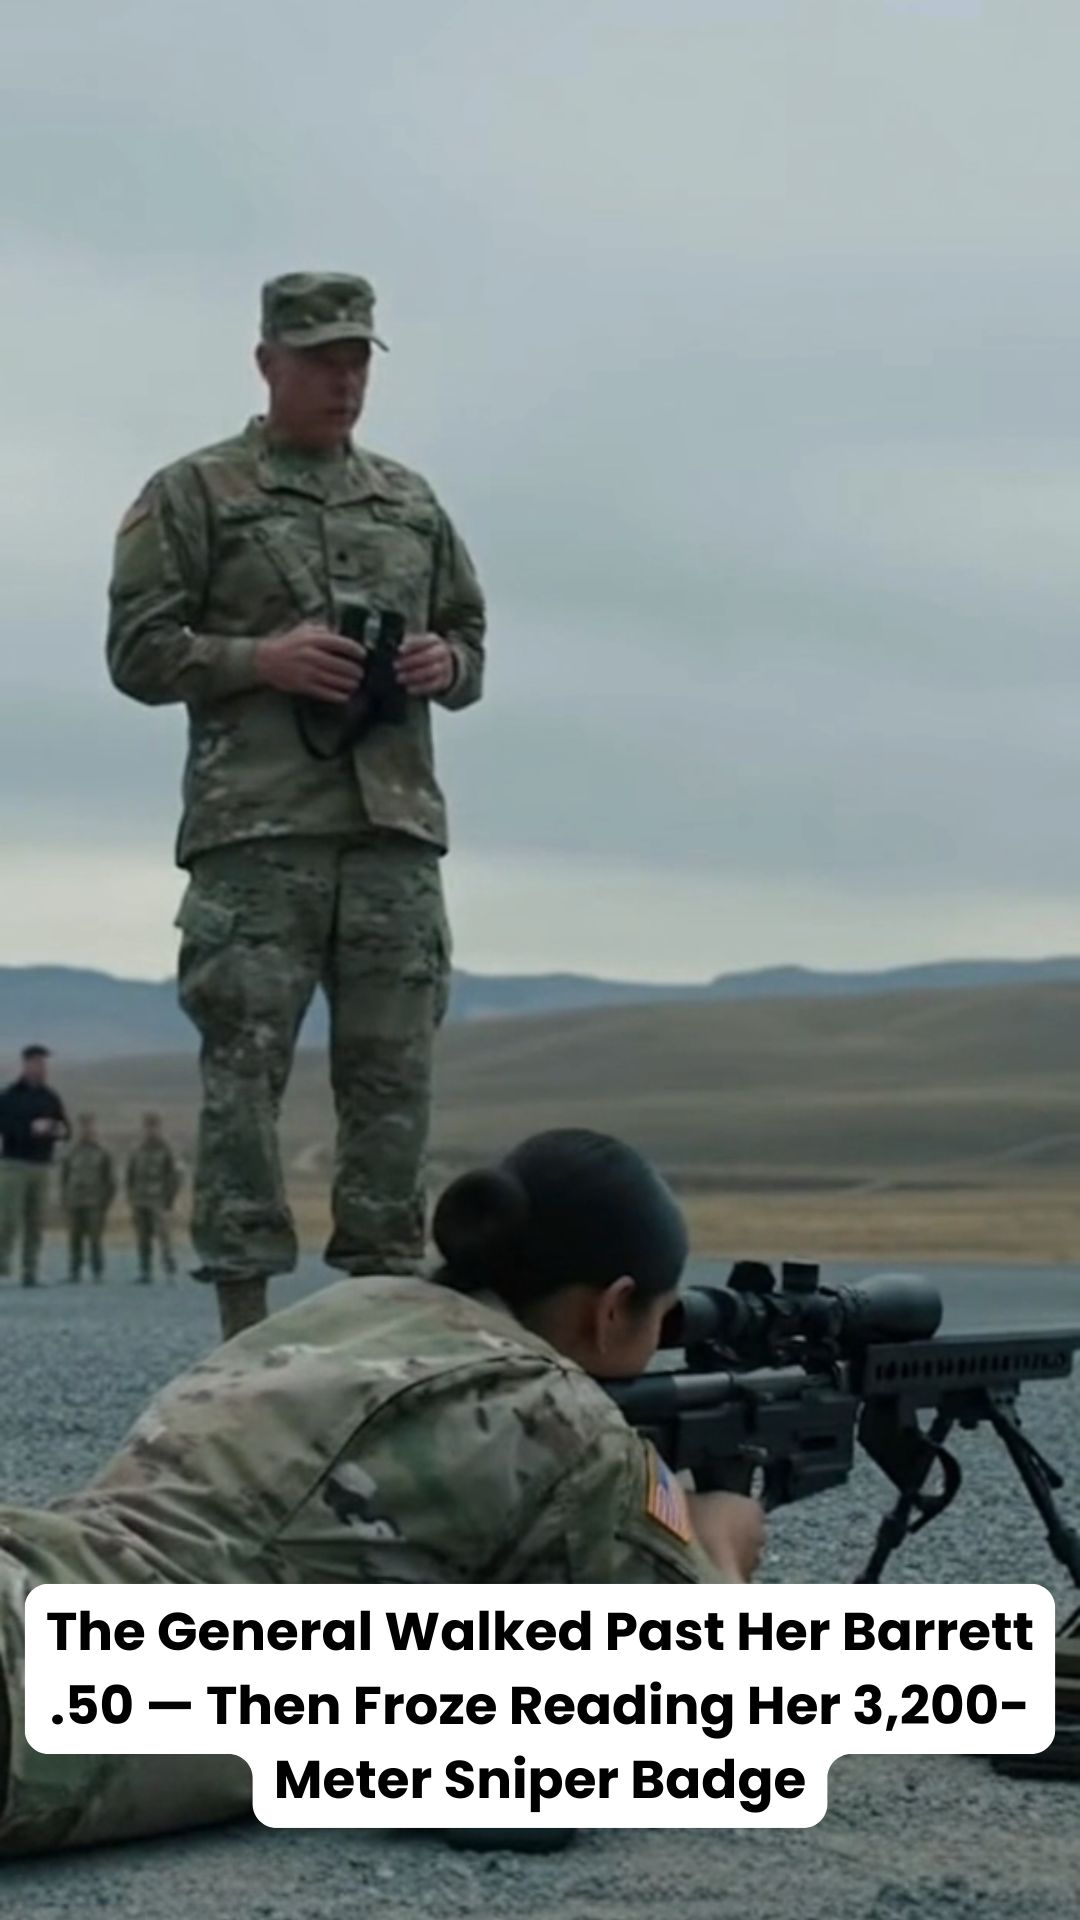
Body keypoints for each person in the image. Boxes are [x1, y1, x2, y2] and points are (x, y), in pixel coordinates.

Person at [0, 1129, 764, 1857]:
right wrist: (720, 1539)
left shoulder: (351, 1312)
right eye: (659, 1319)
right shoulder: (562, 1415)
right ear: (613, 1307)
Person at [105, 270, 486, 1343]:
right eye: (322, 358)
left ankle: (378, 1332)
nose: (343, 378)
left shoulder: (409, 501)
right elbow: (136, 651)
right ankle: (243, 1332)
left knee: (394, 1082)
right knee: (243, 1080)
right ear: (268, 361)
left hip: (392, 835)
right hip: (257, 835)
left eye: (358, 358)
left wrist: (445, 662)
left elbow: (471, 638)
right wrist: (258, 660)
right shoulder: (195, 492)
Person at [0, 1046, 69, 1288]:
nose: (42, 1068)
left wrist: (54, 1129)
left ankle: (30, 1270)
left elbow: (65, 1129)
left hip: (41, 1166)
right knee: (9, 1218)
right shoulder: (9, 1097)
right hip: (14, 1165)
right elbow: (4, 1126)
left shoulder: (50, 1098)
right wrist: (30, 1129)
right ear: (26, 1065)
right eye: (37, 1063)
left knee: (36, 1221)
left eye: (44, 1063)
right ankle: (2, 1259)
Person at [59, 1114, 116, 1285]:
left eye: (89, 1126)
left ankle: (97, 1272)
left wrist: (105, 1202)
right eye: (83, 1127)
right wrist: (65, 1199)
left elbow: (110, 1181)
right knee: (74, 1239)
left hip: (94, 1203)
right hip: (75, 1202)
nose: (86, 1130)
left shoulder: (103, 1153)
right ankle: (74, 1272)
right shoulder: (71, 1153)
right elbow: (64, 1177)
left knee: (95, 1239)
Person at [125, 1112, 181, 1284]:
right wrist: (132, 1198)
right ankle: (145, 1271)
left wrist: (169, 1200)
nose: (151, 1130)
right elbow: (130, 1176)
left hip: (159, 1201)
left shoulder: (166, 1150)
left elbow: (174, 1177)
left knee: (164, 1238)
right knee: (142, 1239)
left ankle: (169, 1271)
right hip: (140, 1200)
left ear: (159, 1128)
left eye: (154, 1127)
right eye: (148, 1127)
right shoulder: (137, 1150)